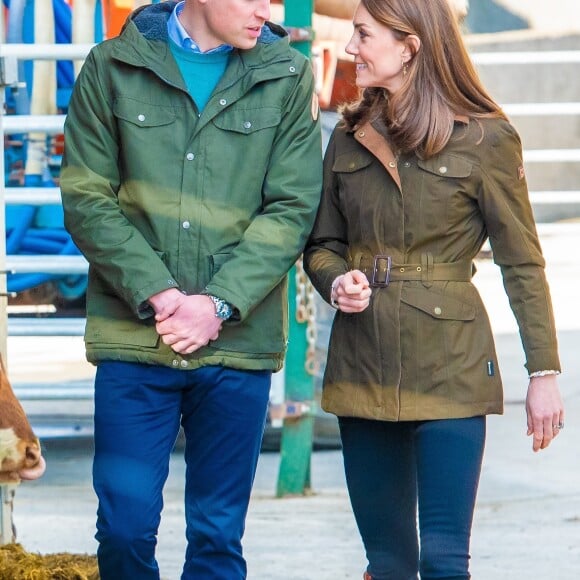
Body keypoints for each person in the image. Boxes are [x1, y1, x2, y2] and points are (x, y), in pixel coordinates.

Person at [59, 0, 322, 577]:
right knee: (124, 528)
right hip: (135, 337)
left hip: (238, 343)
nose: (267, 10)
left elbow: (292, 206)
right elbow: (86, 196)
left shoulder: (286, 72)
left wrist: (218, 303)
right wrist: (161, 294)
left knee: (217, 534)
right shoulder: (112, 66)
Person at [303, 0, 565, 578]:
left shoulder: (487, 139)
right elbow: (321, 245)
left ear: (411, 44)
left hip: (451, 367)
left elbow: (523, 261)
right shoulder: (348, 138)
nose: (351, 49)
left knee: (444, 561)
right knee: (388, 563)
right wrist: (335, 280)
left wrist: (542, 373)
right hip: (362, 367)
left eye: (364, 35)